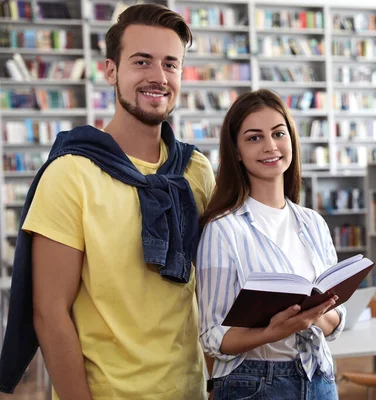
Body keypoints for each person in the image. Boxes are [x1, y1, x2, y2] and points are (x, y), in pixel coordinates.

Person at [0, 4, 215, 399]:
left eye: (171, 64)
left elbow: (210, 289)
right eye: (141, 61)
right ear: (111, 71)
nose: (158, 77)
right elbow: (50, 314)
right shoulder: (70, 174)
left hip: (191, 390)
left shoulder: (196, 171)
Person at [196, 89, 346, 400]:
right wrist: (271, 332)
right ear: (236, 151)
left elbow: (336, 322)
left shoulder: (313, 223)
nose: (270, 146)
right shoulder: (223, 230)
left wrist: (312, 313)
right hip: (255, 384)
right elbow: (213, 337)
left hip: (319, 379)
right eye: (254, 138)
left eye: (278, 133)